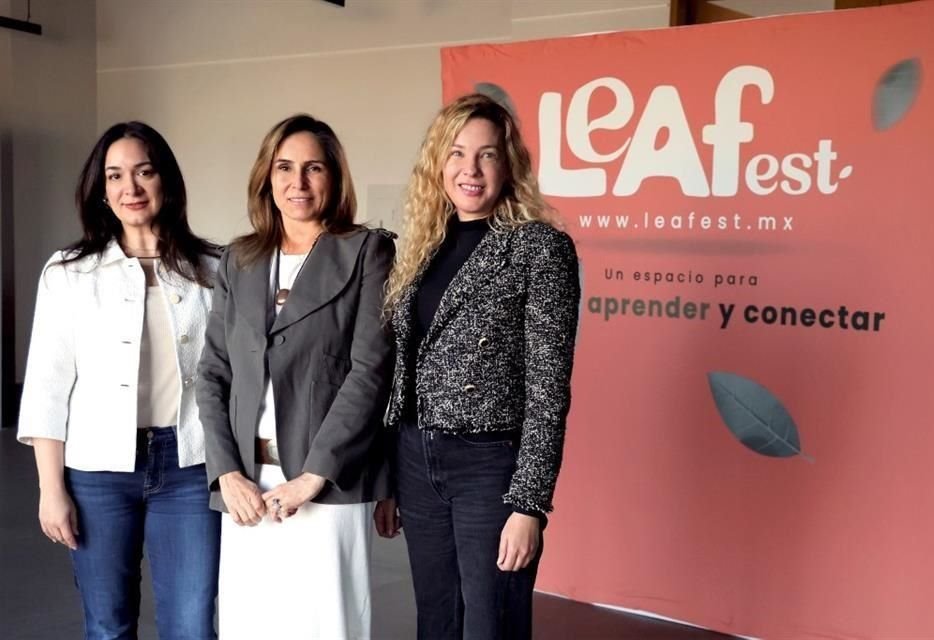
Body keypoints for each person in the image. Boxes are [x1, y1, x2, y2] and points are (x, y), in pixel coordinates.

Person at [376, 93, 580, 639]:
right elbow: (404, 369)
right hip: (416, 461)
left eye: (487, 155)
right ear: (438, 162)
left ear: (508, 164)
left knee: (492, 624)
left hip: (490, 467)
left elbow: (548, 389)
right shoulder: (420, 248)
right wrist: (391, 478)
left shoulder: (540, 248)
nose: (470, 169)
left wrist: (529, 505)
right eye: (458, 153)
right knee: (436, 621)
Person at [17, 121, 222, 639]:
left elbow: (231, 375)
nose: (130, 187)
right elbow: (47, 385)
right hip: (97, 473)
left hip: (191, 468)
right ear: (102, 190)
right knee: (107, 627)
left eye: (143, 172)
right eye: (115, 175)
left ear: (166, 182)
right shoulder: (68, 272)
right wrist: (50, 489)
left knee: (191, 625)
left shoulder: (213, 269)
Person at [197, 114, 395, 639]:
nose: (298, 182)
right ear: (267, 176)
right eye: (284, 167)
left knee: (325, 626)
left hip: (324, 484)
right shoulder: (238, 259)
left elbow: (369, 372)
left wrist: (313, 475)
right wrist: (226, 472)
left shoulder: (368, 251)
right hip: (247, 489)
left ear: (334, 177)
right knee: (249, 626)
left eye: (314, 168)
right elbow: (212, 373)